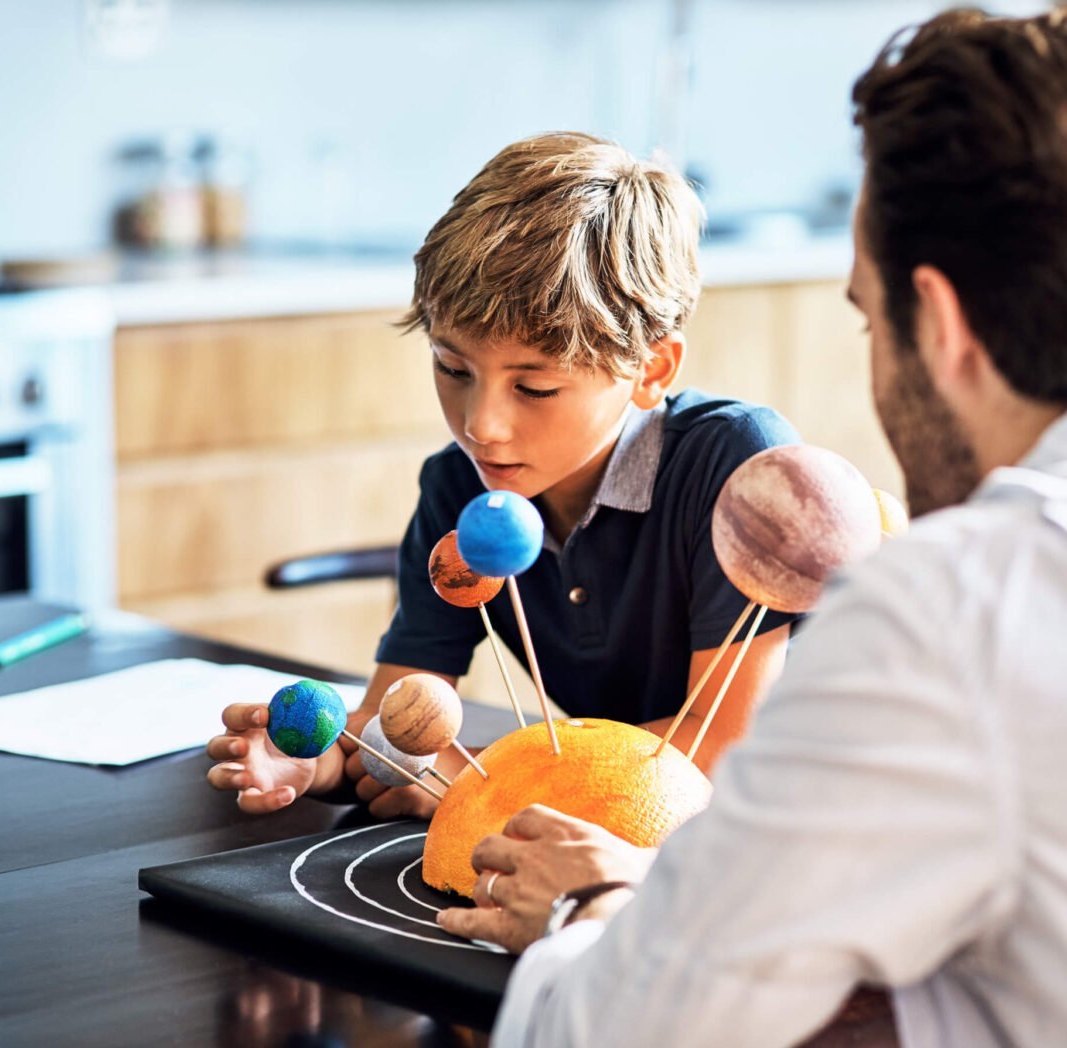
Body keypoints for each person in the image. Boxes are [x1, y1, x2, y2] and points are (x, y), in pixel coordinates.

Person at [438, 10, 1067, 1047]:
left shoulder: (949, 612)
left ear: (942, 328)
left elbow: (611, 1031)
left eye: (868, 318)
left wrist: (590, 907)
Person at [207, 132, 799, 819]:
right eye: (453, 369)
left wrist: (485, 781)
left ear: (652, 369)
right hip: (611, 828)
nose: (480, 425)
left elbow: (718, 752)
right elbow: (399, 737)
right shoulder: (461, 489)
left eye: (536, 388)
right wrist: (320, 760)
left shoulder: (735, 467)